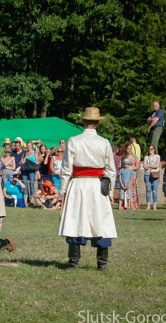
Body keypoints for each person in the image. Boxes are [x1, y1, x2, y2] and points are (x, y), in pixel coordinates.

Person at [58, 107, 117, 271]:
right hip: (97, 186)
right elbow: (111, 170)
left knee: (75, 220)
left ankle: (73, 262)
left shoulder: (74, 141)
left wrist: (62, 191)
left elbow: (66, 169)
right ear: (97, 123)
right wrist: (110, 192)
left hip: (78, 185)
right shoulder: (104, 142)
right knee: (100, 220)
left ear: (83, 121)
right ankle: (102, 264)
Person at [20, 140, 39, 206]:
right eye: (27, 145)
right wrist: (22, 161)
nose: (28, 147)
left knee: (32, 186)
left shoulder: (35, 153)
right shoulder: (24, 154)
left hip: (32, 172)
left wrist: (37, 173)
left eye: (29, 145)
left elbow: (37, 164)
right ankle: (25, 202)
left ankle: (31, 201)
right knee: (25, 186)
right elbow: (21, 162)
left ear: (32, 146)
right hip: (25, 171)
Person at [122, 143, 140, 210]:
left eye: (130, 148)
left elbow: (137, 166)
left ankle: (133, 205)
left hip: (132, 175)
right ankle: (126, 204)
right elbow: (120, 166)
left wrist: (131, 168)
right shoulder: (123, 157)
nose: (129, 150)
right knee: (126, 189)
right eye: (128, 148)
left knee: (133, 190)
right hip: (125, 176)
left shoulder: (135, 157)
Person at [143, 144, 161, 210]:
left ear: (154, 150)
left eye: (152, 149)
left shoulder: (157, 156)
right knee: (148, 190)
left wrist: (149, 166)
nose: (150, 150)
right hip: (147, 175)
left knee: (154, 190)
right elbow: (144, 166)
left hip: (155, 175)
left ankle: (154, 205)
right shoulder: (146, 157)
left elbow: (157, 165)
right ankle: (148, 205)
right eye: (149, 149)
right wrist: (151, 166)